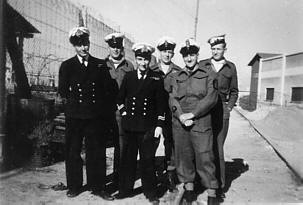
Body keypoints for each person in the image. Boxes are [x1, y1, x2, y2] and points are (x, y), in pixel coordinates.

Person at [58, 27, 114, 200]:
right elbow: (63, 91)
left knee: (96, 151)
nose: (84, 48)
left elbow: (107, 91)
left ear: (89, 43)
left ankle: (97, 186)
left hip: (95, 117)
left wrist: (102, 113)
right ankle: (74, 186)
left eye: (86, 44)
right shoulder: (67, 66)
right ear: (74, 46)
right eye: (80, 45)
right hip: (75, 116)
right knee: (73, 150)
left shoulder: (100, 65)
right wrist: (72, 109)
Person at [169, 38, 219, 204]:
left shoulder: (208, 74)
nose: (189, 59)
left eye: (192, 55)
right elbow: (172, 99)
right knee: (184, 158)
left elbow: (211, 98)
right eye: (185, 56)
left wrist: (193, 114)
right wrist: (181, 115)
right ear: (182, 57)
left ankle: (212, 194)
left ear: (197, 55)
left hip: (201, 123)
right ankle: (189, 192)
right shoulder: (177, 76)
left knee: (205, 158)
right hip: (181, 124)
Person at [115, 42, 166, 204]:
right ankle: (125, 190)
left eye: (145, 60)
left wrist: (159, 125)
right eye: (139, 59)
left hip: (147, 128)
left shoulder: (156, 78)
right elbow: (119, 97)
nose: (143, 63)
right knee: (128, 160)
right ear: (135, 60)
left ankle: (150, 193)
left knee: (147, 161)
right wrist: (124, 113)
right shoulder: (129, 77)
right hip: (130, 126)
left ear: (149, 60)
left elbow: (161, 105)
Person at [199, 34, 239, 198]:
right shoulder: (203, 64)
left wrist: (228, 107)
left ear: (224, 49)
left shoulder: (230, 67)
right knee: (203, 148)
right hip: (205, 110)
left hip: (222, 109)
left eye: (219, 48)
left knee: (218, 148)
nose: (216, 51)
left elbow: (235, 91)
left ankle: (220, 186)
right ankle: (202, 183)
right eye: (213, 49)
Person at [150, 36, 181, 191]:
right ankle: (152, 176)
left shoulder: (178, 71)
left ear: (173, 53)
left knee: (171, 144)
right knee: (152, 143)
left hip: (171, 114)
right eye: (164, 51)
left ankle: (170, 176)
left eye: (170, 52)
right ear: (159, 53)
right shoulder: (151, 70)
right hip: (154, 115)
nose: (167, 55)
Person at [104, 32, 134, 186]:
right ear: (108, 47)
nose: (115, 50)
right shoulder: (102, 65)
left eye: (118, 47)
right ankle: (101, 179)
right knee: (102, 144)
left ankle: (119, 177)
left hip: (121, 112)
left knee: (121, 145)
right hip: (104, 112)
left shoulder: (129, 66)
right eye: (112, 46)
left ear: (121, 48)